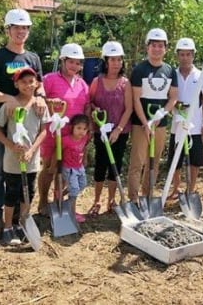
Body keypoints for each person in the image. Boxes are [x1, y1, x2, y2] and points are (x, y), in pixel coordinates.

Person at [0, 8, 47, 241]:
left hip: (28, 124)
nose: (21, 32)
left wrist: (40, 97)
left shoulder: (33, 58)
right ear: (8, 30)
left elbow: (40, 86)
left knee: (25, 173)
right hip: (4, 123)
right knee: (0, 171)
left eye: (25, 28)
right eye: (17, 27)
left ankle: (18, 219)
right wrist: (8, 98)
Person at [0, 67, 49, 245]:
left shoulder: (40, 106)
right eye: (23, 82)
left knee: (28, 193)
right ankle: (8, 226)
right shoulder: (10, 105)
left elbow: (44, 132)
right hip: (12, 160)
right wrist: (10, 146)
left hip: (31, 161)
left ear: (37, 83)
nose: (28, 85)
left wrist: (32, 151)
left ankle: (22, 222)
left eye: (31, 81)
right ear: (16, 84)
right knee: (12, 193)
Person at [38, 43, 91, 216]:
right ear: (63, 60)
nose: (74, 66)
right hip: (53, 133)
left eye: (78, 63)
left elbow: (86, 109)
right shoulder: (49, 79)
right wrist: (49, 102)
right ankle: (43, 202)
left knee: (68, 170)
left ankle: (60, 200)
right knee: (49, 169)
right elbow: (38, 99)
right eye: (71, 62)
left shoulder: (82, 84)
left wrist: (87, 133)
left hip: (74, 137)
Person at [127, 28, 178, 204]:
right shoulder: (140, 70)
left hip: (160, 124)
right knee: (137, 162)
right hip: (141, 124)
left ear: (165, 49)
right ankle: (133, 200)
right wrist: (145, 122)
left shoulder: (170, 71)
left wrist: (161, 114)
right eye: (153, 45)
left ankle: (147, 197)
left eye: (160, 46)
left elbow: (173, 97)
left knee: (154, 162)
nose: (157, 49)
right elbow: (136, 99)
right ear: (147, 47)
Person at [88, 41, 133, 215]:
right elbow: (90, 102)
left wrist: (118, 130)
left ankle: (112, 200)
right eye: (112, 59)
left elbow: (129, 108)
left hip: (120, 132)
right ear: (105, 61)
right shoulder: (96, 81)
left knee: (116, 165)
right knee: (101, 165)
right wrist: (94, 109)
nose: (116, 63)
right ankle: (97, 200)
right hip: (101, 130)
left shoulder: (125, 83)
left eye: (119, 59)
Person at [166, 37, 203, 200]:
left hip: (195, 124)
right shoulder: (172, 75)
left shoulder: (201, 75)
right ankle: (176, 188)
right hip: (177, 124)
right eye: (182, 54)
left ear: (193, 55)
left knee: (194, 160)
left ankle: (190, 190)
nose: (185, 58)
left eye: (188, 54)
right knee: (175, 159)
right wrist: (176, 107)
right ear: (177, 56)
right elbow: (168, 98)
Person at [62, 114, 91, 223]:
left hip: (79, 167)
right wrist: (53, 165)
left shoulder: (85, 138)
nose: (81, 131)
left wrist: (85, 159)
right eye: (78, 128)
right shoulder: (66, 140)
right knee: (74, 191)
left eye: (84, 129)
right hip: (69, 168)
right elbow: (57, 152)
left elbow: (85, 148)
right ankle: (72, 212)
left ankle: (62, 194)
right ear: (72, 127)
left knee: (82, 185)